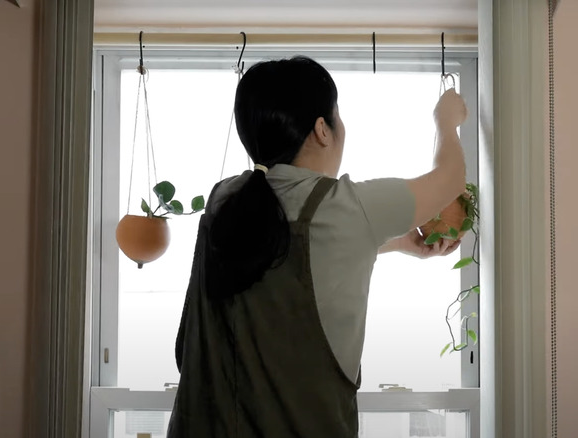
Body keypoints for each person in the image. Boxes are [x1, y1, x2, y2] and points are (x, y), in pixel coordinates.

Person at [167, 56, 467, 438]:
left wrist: (393, 245)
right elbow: (450, 178)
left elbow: (285, 255)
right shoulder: (350, 206)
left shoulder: (224, 201)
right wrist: (446, 120)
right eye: (337, 116)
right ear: (322, 130)